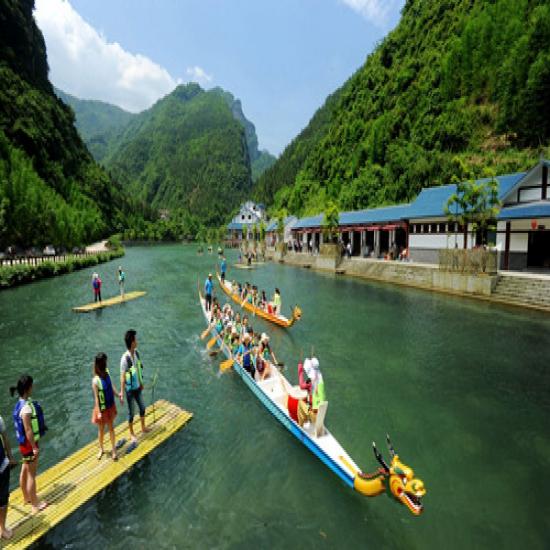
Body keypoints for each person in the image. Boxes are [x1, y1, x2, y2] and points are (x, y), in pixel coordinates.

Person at [10, 375, 47, 514]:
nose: (33, 387)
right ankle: (35, 504)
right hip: (29, 445)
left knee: (24, 469)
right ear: (27, 388)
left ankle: (26, 497)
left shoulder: (19, 404)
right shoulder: (26, 409)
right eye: (31, 385)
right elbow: (28, 430)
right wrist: (34, 447)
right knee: (32, 474)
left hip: (23, 445)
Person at [120, 330, 150, 445]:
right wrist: (122, 393)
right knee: (131, 413)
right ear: (132, 342)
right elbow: (122, 377)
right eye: (135, 339)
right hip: (130, 391)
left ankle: (143, 427)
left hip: (138, 387)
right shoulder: (124, 359)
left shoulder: (137, 353)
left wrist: (141, 383)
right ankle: (132, 434)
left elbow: (138, 369)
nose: (137, 341)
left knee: (142, 408)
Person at [92, 353, 119, 460]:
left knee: (111, 428)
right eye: (105, 362)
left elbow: (111, 387)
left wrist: (118, 395)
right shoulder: (95, 381)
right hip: (101, 409)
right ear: (100, 364)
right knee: (101, 430)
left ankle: (114, 450)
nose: (106, 364)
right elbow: (96, 398)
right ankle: (101, 449)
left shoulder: (107, 373)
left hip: (110, 407)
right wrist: (98, 412)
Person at [0, 413, 16, 539]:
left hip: (2, 466)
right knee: (3, 499)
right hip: (2, 466)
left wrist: (10, 457)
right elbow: (6, 440)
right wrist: (10, 457)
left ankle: (2, 528)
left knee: (3, 498)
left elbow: (5, 440)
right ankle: (3, 529)